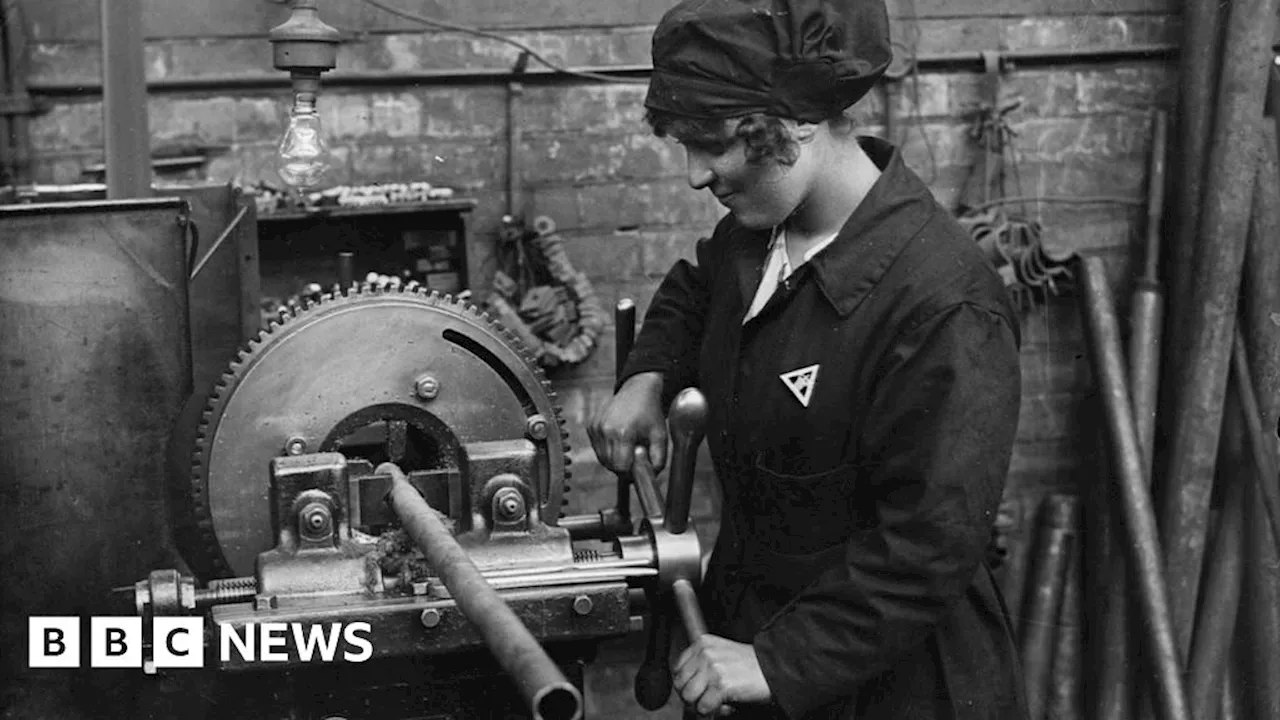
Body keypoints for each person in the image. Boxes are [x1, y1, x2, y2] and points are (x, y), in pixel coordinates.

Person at [587, 0, 1029, 718]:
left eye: (712, 143)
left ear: (792, 121)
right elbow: (697, 289)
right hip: (753, 641)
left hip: (892, 686)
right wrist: (650, 372)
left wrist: (777, 661)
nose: (697, 175)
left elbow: (928, 544)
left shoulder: (944, 308)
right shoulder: (758, 235)